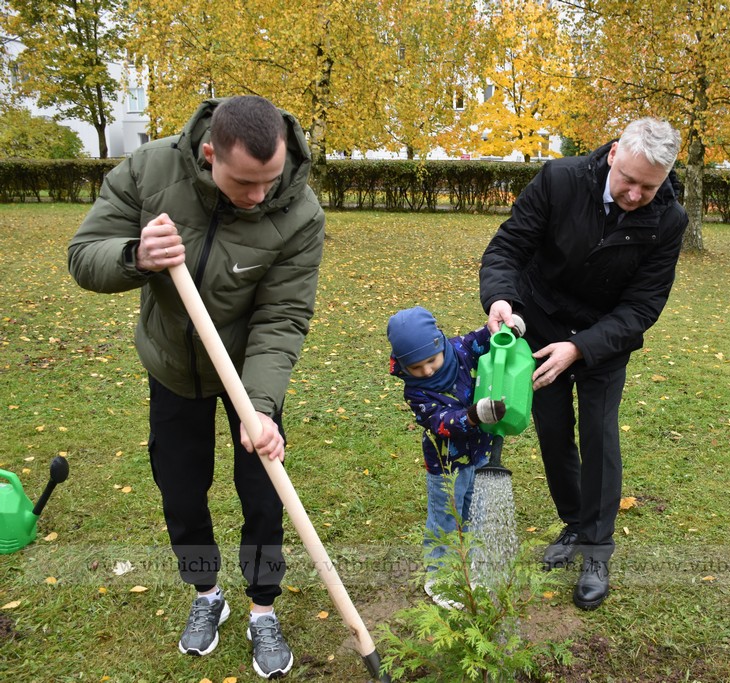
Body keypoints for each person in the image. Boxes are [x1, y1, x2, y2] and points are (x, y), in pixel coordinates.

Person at [68, 95, 325, 678]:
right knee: (181, 491)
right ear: (210, 153)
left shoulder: (300, 213)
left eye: (271, 180)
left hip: (246, 378)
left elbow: (281, 318)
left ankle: (263, 609)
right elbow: (84, 255)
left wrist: (258, 409)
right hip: (172, 368)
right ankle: (207, 594)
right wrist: (136, 255)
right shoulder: (150, 171)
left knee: (264, 496)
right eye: (244, 182)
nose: (259, 196)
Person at [479, 117, 687, 610]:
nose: (636, 195)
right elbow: (508, 247)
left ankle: (597, 551)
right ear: (613, 153)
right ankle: (574, 523)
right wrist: (502, 298)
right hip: (540, 325)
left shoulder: (668, 220)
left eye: (649, 187)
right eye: (629, 181)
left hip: (602, 339)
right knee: (552, 430)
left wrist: (583, 347)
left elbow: (642, 307)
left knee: (598, 434)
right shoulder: (559, 180)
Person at [387, 306, 523, 609]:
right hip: (445, 467)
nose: (427, 371)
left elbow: (486, 339)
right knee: (445, 519)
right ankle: (440, 576)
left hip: (481, 454)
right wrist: (474, 416)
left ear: (440, 343)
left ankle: (470, 566)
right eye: (416, 367)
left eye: (431, 361)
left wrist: (508, 331)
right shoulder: (416, 392)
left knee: (474, 511)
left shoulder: (461, 349)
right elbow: (441, 422)